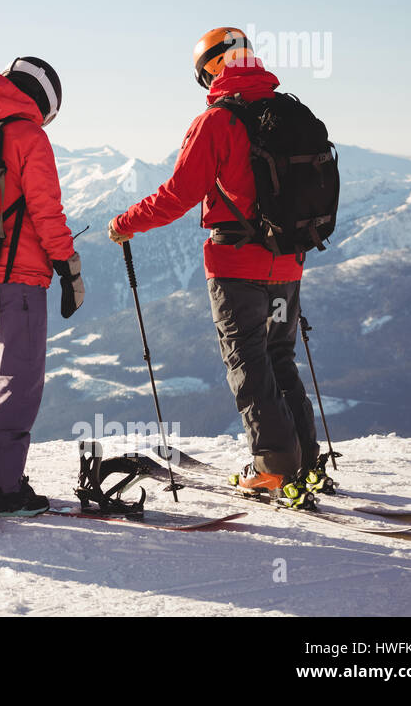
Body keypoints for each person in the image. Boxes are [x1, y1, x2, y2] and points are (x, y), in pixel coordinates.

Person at [107, 27, 322, 502]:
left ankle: (273, 466)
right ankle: (307, 461)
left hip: (236, 265)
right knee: (280, 357)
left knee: (247, 359)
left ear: (210, 69)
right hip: (287, 264)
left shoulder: (218, 121)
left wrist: (126, 222)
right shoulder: (290, 112)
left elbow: (178, 194)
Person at [0, 57, 84, 512]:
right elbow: (46, 211)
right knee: (20, 379)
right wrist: (68, 266)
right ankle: (1, 489)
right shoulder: (28, 136)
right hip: (19, 279)